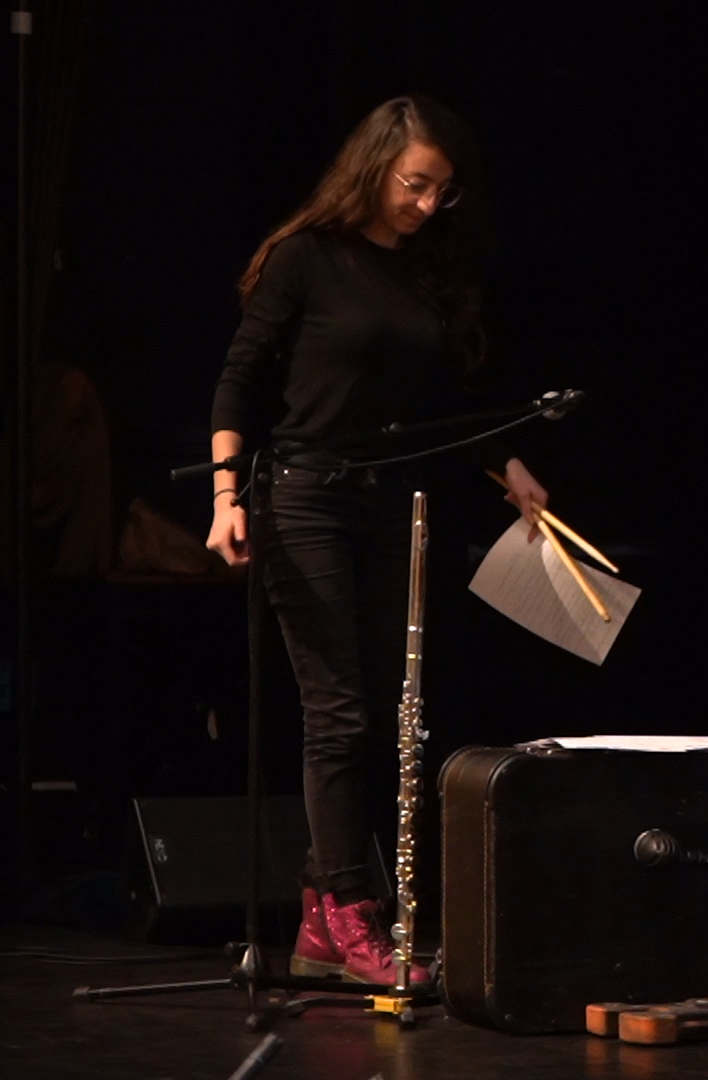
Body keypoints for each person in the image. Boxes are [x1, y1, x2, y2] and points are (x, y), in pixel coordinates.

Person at [205, 96, 549, 985]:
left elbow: (442, 403)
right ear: (374, 167)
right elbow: (239, 380)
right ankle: (350, 910)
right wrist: (225, 497)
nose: (428, 204)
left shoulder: (427, 273)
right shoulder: (306, 257)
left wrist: (508, 464)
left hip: (395, 504)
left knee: (395, 714)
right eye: (415, 184)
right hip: (305, 500)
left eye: (443, 191)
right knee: (340, 713)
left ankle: (326, 919)